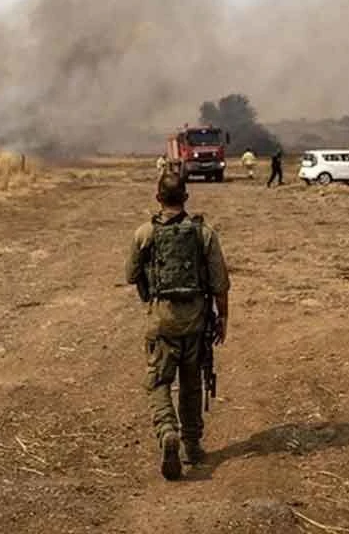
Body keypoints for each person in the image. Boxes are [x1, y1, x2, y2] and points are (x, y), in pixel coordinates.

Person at [125, 172, 230, 480]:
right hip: (196, 322)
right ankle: (192, 445)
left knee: (158, 382)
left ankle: (167, 430)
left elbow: (131, 274)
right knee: (192, 384)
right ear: (185, 198)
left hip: (162, 320)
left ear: (158, 198)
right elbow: (220, 283)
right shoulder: (204, 233)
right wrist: (223, 318)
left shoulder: (145, 233)